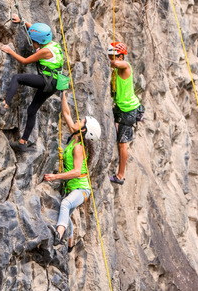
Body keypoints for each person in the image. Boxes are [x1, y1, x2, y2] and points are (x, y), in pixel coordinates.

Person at [0, 14, 64, 152]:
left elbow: (25, 61)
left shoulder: (44, 51)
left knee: (17, 78)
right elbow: (37, 32)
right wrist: (23, 22)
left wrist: (10, 51)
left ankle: (4, 104)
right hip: (55, 83)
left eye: (33, 41)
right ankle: (22, 142)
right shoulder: (53, 44)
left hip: (46, 81)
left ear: (39, 41)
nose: (32, 43)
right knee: (32, 110)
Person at [44, 92, 101, 252]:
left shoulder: (78, 148)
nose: (77, 120)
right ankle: (70, 245)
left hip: (81, 189)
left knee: (66, 204)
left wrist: (55, 176)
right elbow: (66, 113)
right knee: (66, 214)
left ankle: (58, 234)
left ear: (84, 130)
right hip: (74, 187)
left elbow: (77, 172)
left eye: (81, 121)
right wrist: (62, 93)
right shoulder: (75, 136)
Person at [108, 42, 142, 185]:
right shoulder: (117, 68)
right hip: (121, 107)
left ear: (121, 56)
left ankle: (120, 176)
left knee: (123, 143)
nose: (111, 58)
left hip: (128, 109)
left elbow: (119, 64)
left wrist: (111, 60)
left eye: (113, 56)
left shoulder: (125, 67)